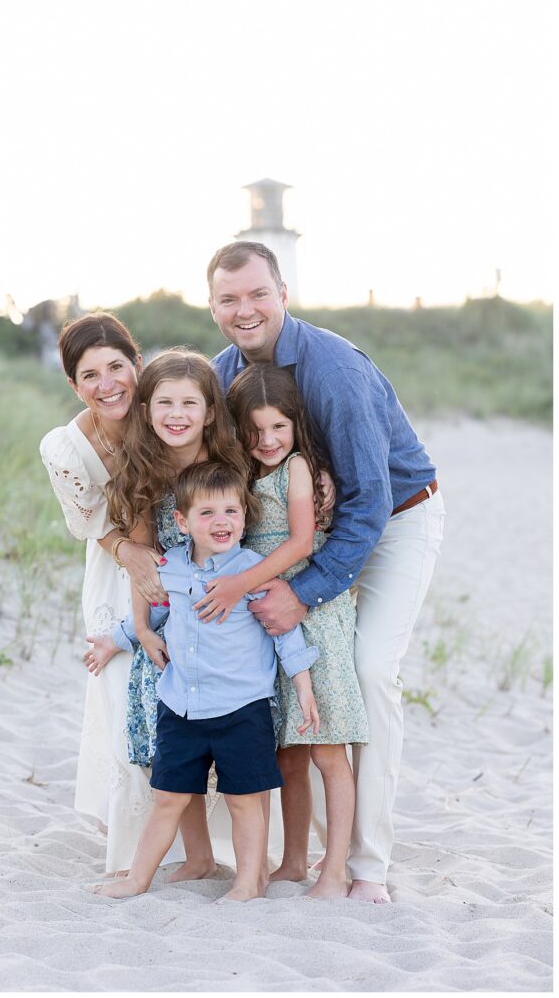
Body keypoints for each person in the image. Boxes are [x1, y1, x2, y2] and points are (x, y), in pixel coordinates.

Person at [207, 242, 445, 904]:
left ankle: (366, 866)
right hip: (296, 535)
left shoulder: (334, 369)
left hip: (396, 518)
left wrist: (303, 592)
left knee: (369, 669)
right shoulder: (224, 373)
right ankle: (300, 856)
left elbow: (367, 500)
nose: (245, 309)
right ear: (213, 307)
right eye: (230, 299)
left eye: (258, 294)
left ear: (285, 294)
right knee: (286, 684)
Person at [85, 461, 320, 902]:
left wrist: (303, 684)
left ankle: (248, 882)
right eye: (207, 513)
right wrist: (112, 642)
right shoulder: (170, 567)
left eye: (231, 511)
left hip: (241, 707)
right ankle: (137, 878)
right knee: (169, 797)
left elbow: (285, 630)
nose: (222, 522)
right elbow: (155, 616)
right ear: (182, 521)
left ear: (245, 517)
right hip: (181, 706)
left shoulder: (253, 569)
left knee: (244, 799)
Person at [191, 363, 369, 898]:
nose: (267, 440)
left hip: (308, 608)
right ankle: (292, 861)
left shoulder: (297, 468)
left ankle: (334, 868)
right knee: (286, 749)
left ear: (295, 427)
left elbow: (298, 543)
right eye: (256, 429)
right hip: (262, 614)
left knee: (325, 744)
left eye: (279, 428)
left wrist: (237, 583)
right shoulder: (240, 471)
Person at [39, 315, 189, 874]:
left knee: (186, 691)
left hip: (182, 562)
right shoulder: (65, 447)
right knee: (128, 697)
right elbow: (90, 525)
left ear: (137, 364)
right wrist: (128, 554)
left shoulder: (166, 409)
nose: (108, 384)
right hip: (112, 571)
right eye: (90, 375)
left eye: (116, 367)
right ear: (75, 385)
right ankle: (131, 845)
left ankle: (202, 841)